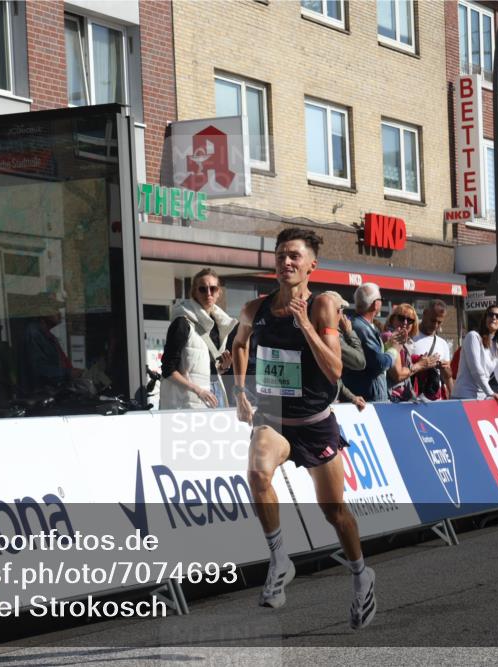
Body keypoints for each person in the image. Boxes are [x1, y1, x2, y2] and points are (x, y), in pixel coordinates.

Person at [231, 227, 376, 630]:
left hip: (315, 422)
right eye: (280, 256)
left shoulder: (323, 307)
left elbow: (334, 371)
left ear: (312, 265)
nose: (286, 262)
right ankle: (279, 558)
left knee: (334, 511)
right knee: (257, 473)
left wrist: (306, 326)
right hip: (274, 417)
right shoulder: (253, 310)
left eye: (294, 256)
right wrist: (241, 389)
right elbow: (240, 345)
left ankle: (362, 574)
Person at [159, 269, 237, 409]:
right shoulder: (182, 323)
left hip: (215, 391)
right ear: (194, 292)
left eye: (213, 288)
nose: (208, 293)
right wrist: (197, 390)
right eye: (202, 289)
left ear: (219, 292)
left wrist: (223, 367)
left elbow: (201, 367)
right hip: (190, 398)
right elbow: (167, 369)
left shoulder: (220, 325)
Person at [451, 305, 498, 406]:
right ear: (485, 318)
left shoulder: (497, 345)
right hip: (464, 397)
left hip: (482, 398)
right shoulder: (473, 336)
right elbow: (476, 370)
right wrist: (490, 393)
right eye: (490, 314)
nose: (494, 317)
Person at [347, 282, 397, 403]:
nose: (382, 302)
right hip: (369, 400)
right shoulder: (362, 328)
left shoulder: (359, 324)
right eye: (381, 299)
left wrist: (388, 345)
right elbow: (379, 363)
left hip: (364, 396)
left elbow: (370, 356)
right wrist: (395, 349)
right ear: (375, 304)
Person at [21, 294, 79, 394]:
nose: (59, 312)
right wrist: (68, 374)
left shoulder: (47, 335)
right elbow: (39, 369)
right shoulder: (33, 333)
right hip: (42, 397)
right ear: (42, 311)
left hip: (54, 393)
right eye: (54, 308)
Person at [385, 304, 438, 402]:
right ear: (392, 319)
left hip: (403, 397)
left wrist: (421, 360)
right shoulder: (390, 337)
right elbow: (398, 375)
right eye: (401, 318)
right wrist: (419, 365)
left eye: (410, 320)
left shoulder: (408, 342)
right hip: (392, 398)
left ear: (414, 324)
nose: (405, 322)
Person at [324, 291, 367, 408]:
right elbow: (360, 362)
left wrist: (351, 397)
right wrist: (349, 332)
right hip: (323, 406)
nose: (343, 315)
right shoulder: (330, 336)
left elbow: (335, 379)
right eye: (341, 309)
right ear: (335, 311)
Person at [410, 300, 453, 399]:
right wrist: (421, 365)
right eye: (433, 320)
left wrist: (446, 369)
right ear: (425, 313)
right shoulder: (410, 336)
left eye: (439, 322)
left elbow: (448, 377)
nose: (435, 325)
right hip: (412, 400)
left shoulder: (443, 344)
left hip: (435, 400)